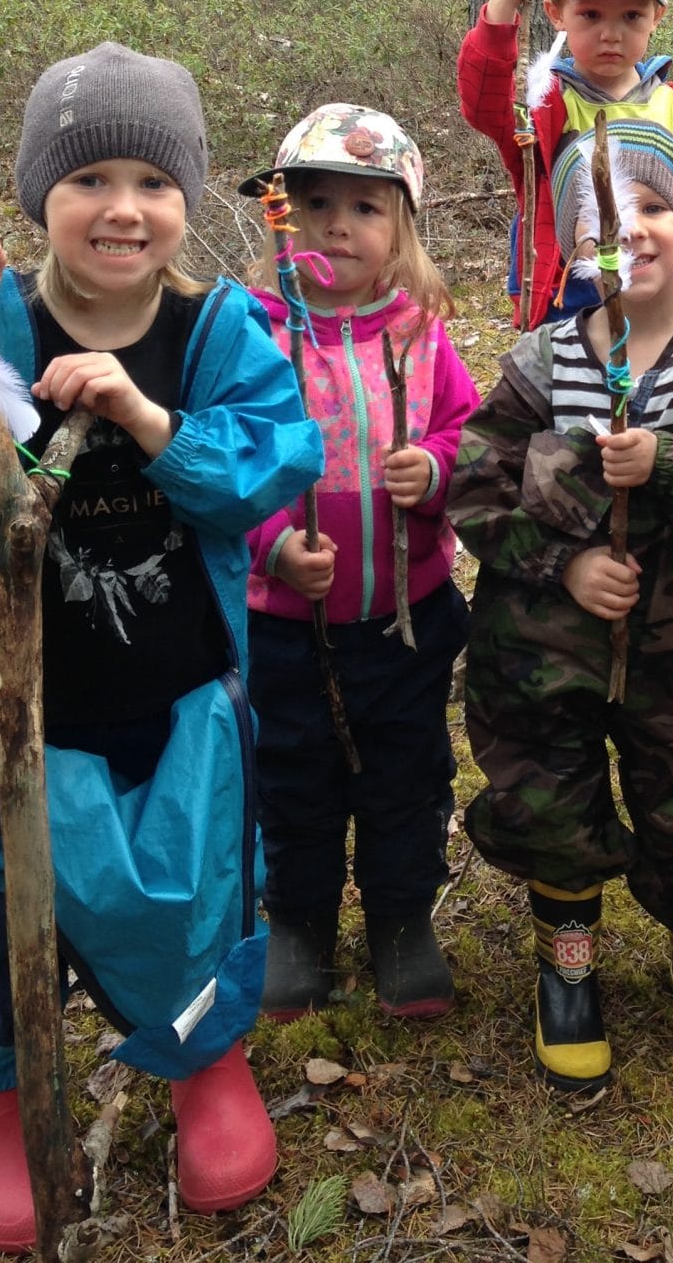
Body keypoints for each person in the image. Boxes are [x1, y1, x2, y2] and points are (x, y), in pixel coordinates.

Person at [0, 44, 324, 1252]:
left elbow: (274, 464)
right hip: (15, 710)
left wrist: (146, 415)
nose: (124, 206)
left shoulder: (215, 328)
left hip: (180, 700)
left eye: (154, 181)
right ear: (37, 196)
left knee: (195, 882)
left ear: (187, 199)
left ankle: (202, 1058)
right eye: (90, 178)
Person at [448, 119, 673, 1090]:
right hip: (543, 657)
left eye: (651, 206)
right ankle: (568, 966)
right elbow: (477, 486)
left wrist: (670, 458)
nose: (629, 231)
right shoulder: (542, 358)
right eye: (600, 216)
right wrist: (563, 561)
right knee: (548, 794)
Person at [240, 105, 479, 1021]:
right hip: (284, 626)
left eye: (365, 207)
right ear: (282, 216)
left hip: (403, 618)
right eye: (315, 201)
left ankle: (400, 920)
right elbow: (234, 457)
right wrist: (271, 545)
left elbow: (468, 430)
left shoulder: (419, 334)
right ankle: (297, 922)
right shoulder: (252, 336)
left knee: (405, 774)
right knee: (291, 777)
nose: (337, 223)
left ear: (402, 228)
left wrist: (439, 469)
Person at [456, 0, 673, 328]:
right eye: (591, 15)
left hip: (657, 288)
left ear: (658, 16)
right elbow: (483, 104)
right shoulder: (545, 103)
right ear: (555, 12)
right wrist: (501, 7)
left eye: (632, 16)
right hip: (568, 294)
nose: (611, 34)